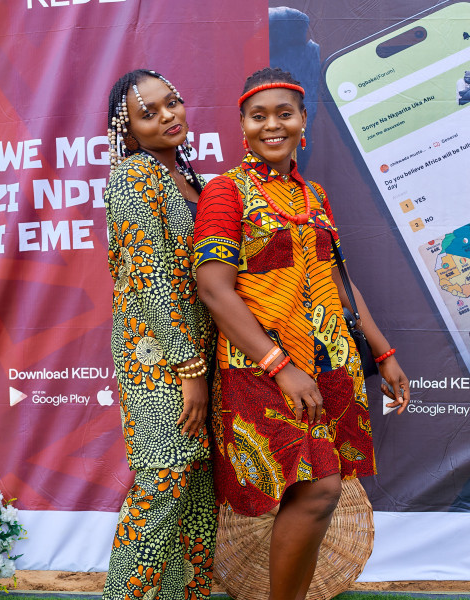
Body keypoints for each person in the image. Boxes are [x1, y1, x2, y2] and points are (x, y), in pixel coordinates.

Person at [193, 67, 410, 600]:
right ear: (241, 125)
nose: (273, 125)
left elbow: (338, 279)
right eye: (258, 115)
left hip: (329, 362)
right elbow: (214, 289)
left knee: (317, 492)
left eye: (284, 113)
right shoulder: (226, 192)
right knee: (318, 490)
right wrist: (279, 365)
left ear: (303, 120)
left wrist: (383, 352)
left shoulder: (314, 194)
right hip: (262, 366)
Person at [102, 69, 217, 600]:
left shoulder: (192, 179)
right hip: (158, 361)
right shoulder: (134, 176)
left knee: (196, 498)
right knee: (162, 486)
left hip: (201, 354)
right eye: (149, 113)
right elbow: (150, 281)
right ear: (129, 131)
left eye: (171, 102)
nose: (168, 115)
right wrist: (189, 370)